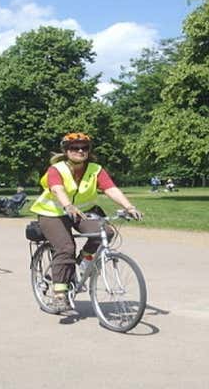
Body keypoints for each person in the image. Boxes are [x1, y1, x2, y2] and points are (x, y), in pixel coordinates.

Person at [30, 132, 143, 313]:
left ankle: (83, 262)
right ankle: (59, 295)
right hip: (53, 213)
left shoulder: (95, 169)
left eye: (84, 148)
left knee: (106, 232)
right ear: (66, 151)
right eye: (75, 148)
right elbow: (57, 188)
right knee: (66, 247)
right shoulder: (56, 169)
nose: (80, 151)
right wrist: (67, 205)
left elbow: (110, 189)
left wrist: (129, 207)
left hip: (82, 212)